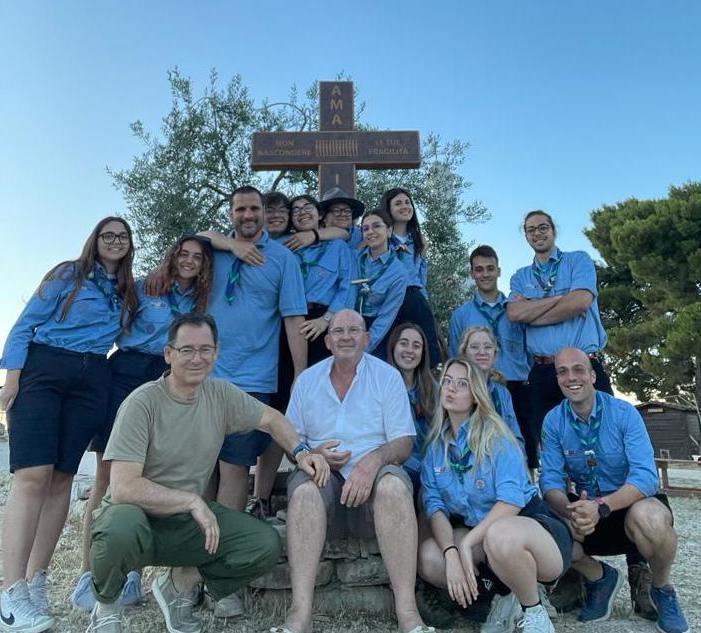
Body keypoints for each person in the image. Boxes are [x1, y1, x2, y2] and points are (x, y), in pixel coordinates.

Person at [86, 313, 329, 633]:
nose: (196, 358)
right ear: (168, 354)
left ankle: (178, 587)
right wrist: (191, 501)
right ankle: (106, 607)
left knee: (263, 543)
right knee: (118, 527)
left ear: (216, 354)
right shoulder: (142, 403)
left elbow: (272, 419)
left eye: (205, 350)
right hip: (137, 516)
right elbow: (123, 488)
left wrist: (302, 452)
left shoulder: (220, 395)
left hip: (184, 524)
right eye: (186, 350)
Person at [0, 217, 138, 633]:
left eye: (122, 236)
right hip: (45, 368)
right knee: (32, 476)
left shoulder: (128, 290)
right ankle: (10, 593)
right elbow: (24, 325)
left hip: (93, 377)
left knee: (62, 479)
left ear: (130, 244)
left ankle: (36, 582)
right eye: (107, 235)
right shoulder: (68, 275)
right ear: (95, 240)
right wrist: (12, 379)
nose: (115, 241)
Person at [70, 234, 214, 610]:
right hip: (126, 371)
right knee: (108, 475)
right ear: (172, 256)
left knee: (149, 474)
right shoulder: (144, 286)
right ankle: (89, 572)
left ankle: (131, 572)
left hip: (167, 374)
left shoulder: (198, 300)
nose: (189, 260)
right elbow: (110, 319)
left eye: (197, 257)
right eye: (183, 253)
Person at [277, 309, 434, 633]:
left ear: (366, 338)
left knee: (394, 486)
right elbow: (291, 441)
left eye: (354, 330)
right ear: (328, 341)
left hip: (374, 482)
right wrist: (311, 455)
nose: (346, 337)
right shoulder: (307, 381)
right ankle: (300, 614)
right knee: (304, 492)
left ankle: (407, 613)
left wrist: (372, 462)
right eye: (338, 331)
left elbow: (404, 442)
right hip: (322, 479)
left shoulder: (387, 377)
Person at [540, 348, 689, 633]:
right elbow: (550, 481)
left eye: (579, 369)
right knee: (545, 525)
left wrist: (602, 506)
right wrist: (571, 511)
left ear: (593, 375)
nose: (571, 377)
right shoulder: (553, 421)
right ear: (557, 378)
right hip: (587, 511)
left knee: (651, 518)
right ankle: (600, 577)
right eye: (562, 371)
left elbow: (646, 476)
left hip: (627, 505)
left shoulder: (624, 413)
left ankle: (662, 589)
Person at [419, 358, 572, 633]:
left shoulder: (497, 437)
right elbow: (435, 507)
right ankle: (502, 599)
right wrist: (452, 553)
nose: (451, 388)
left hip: (532, 532)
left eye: (462, 384)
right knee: (431, 557)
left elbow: (510, 503)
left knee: (499, 534)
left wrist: (467, 545)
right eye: (447, 382)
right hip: (484, 536)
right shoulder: (435, 449)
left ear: (476, 394)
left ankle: (535, 611)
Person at [506, 211, 612, 457]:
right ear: (526, 236)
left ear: (553, 230)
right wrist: (561, 298)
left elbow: (580, 302)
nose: (537, 233)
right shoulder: (520, 277)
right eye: (531, 229)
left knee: (605, 441)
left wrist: (533, 312)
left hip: (584, 366)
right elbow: (514, 313)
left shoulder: (578, 261)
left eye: (543, 227)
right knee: (551, 449)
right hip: (543, 372)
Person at [450, 245, 532, 464]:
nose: (485, 274)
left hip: (519, 389)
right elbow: (456, 359)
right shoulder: (461, 315)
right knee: (482, 452)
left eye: (490, 268)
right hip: (479, 391)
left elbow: (530, 351)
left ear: (499, 271)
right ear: (472, 274)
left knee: (524, 453)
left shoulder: (517, 310)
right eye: (479, 269)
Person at [288, 194, 355, 365]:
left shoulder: (338, 246)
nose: (302, 212)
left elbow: (348, 286)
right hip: (292, 320)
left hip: (327, 320)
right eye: (296, 210)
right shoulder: (286, 249)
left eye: (307, 207)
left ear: (320, 215)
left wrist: (326, 320)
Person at [381, 188, 442, 367]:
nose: (405, 206)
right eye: (398, 203)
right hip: (391, 300)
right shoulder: (382, 238)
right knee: (390, 352)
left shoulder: (418, 241)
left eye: (407, 202)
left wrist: (425, 302)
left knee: (428, 353)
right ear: (388, 209)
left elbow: (421, 277)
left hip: (416, 299)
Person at [386, 323, 438, 490]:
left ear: (423, 353)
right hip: (397, 467)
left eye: (416, 346)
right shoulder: (380, 386)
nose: (409, 350)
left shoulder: (435, 389)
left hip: (433, 469)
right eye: (403, 343)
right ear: (393, 347)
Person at [354, 209, 409, 360]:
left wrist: (364, 348)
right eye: (365, 228)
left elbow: (386, 316)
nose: (370, 232)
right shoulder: (354, 258)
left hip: (375, 332)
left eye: (376, 226)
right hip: (348, 325)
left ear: (389, 231)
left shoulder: (399, 272)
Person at [457, 326, 524, 446]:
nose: (482, 352)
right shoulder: (454, 390)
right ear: (464, 354)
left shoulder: (503, 393)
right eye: (474, 347)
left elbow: (516, 438)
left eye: (488, 347)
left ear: (495, 354)